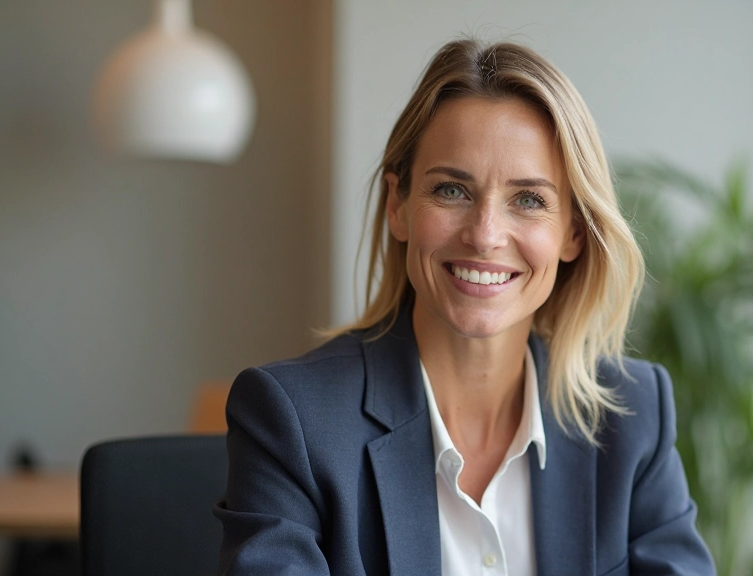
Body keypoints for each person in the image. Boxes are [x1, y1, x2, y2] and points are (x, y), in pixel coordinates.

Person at [214, 38, 715, 576]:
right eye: (452, 190)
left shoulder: (632, 419)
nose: (484, 234)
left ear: (573, 232)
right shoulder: (294, 419)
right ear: (398, 205)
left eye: (529, 200)